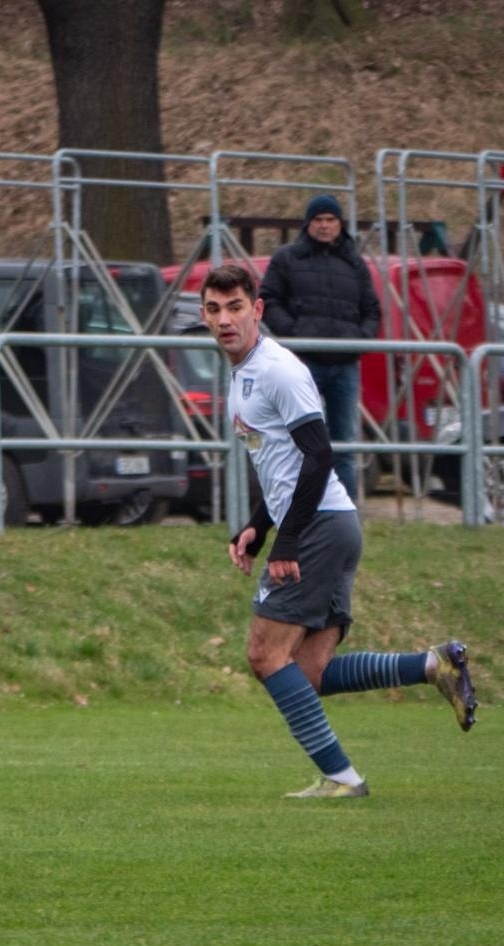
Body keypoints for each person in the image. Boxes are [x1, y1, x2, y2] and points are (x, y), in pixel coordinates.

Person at [204, 264, 477, 799]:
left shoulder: (278, 369)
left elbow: (319, 454)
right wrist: (258, 527)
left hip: (319, 528)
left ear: (257, 309)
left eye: (235, 306)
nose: (224, 319)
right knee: (306, 672)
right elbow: (280, 464)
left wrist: (287, 539)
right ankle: (434, 664)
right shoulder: (243, 374)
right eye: (214, 309)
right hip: (326, 523)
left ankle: (342, 778)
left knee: (265, 655)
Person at [258, 193, 380, 499]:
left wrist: (360, 339)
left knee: (345, 446)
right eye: (318, 220)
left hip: (345, 365)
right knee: (301, 441)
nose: (325, 226)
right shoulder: (287, 259)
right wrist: (294, 333)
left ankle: (345, 512)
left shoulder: (355, 263)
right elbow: (268, 299)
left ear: (340, 224)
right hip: (304, 363)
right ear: (308, 224)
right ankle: (300, 509)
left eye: (331, 220)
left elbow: (373, 309)